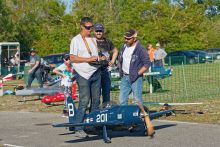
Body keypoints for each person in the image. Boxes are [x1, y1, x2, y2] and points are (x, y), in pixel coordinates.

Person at [69, 17, 101, 137]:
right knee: (84, 100)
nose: (90, 30)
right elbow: (72, 58)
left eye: (91, 27)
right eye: (88, 27)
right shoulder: (75, 40)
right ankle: (78, 128)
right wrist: (88, 59)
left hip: (95, 72)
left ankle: (91, 126)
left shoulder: (93, 40)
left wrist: (101, 58)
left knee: (96, 101)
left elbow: (95, 55)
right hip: (82, 74)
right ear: (82, 26)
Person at [118, 29, 151, 105]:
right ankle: (124, 116)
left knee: (137, 100)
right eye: (125, 38)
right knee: (121, 100)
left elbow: (147, 64)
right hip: (125, 76)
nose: (126, 40)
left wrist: (137, 73)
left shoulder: (140, 48)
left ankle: (137, 115)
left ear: (134, 38)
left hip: (136, 78)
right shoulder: (123, 47)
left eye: (128, 38)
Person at [94, 23, 118, 106]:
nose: (98, 33)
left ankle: (105, 110)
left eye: (100, 31)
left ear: (103, 31)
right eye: (97, 31)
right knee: (96, 93)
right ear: (94, 31)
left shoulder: (108, 41)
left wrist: (112, 61)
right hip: (95, 70)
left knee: (106, 92)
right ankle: (95, 110)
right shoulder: (91, 41)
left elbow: (115, 51)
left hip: (106, 70)